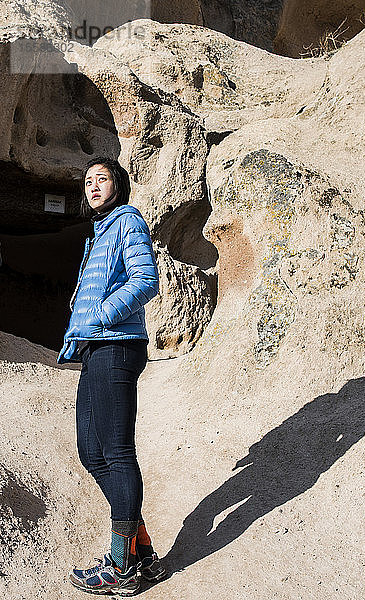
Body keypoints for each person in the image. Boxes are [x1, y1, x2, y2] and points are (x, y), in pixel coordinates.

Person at [57, 157, 166, 595]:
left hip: (117, 345)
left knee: (117, 452)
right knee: (90, 451)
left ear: (118, 185)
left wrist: (101, 314)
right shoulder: (98, 234)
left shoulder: (128, 222)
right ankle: (143, 555)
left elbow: (146, 280)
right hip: (94, 349)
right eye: (87, 181)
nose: (93, 186)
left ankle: (122, 566)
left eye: (102, 179)